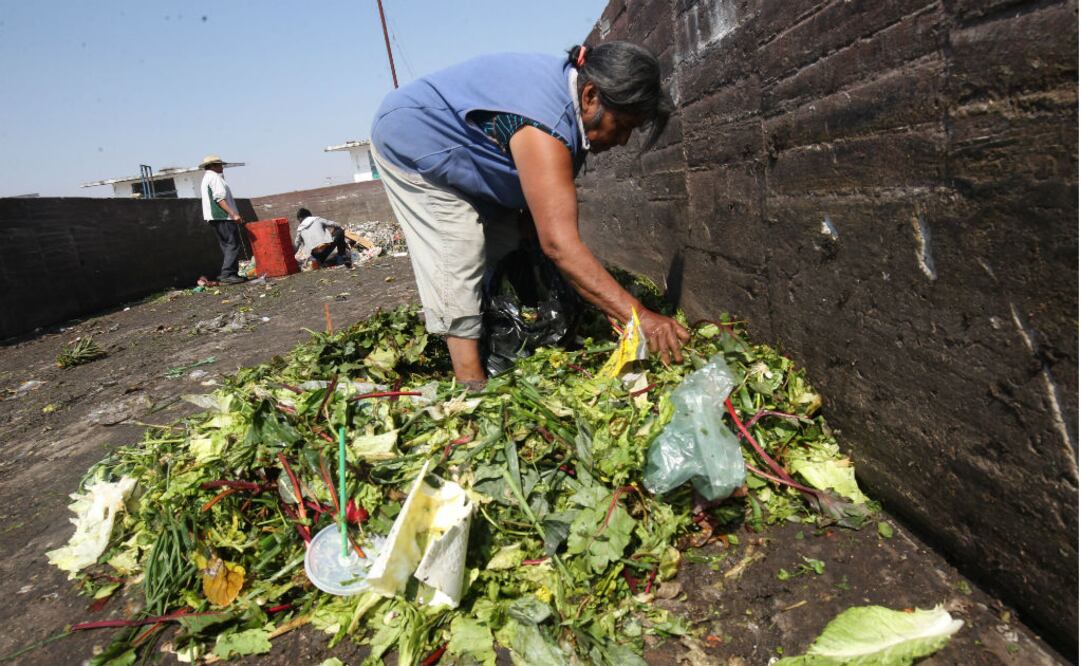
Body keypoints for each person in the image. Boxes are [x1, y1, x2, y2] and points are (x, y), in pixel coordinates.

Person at [370, 42, 690, 386]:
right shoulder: (546, 122)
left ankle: (494, 335)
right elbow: (560, 245)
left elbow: (539, 214)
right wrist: (639, 316)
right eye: (622, 124)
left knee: (507, 246)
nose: (623, 140)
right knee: (459, 246)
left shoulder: (569, 113)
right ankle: (471, 386)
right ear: (591, 96)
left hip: (466, 159)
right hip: (412, 143)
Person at [199, 154, 247, 284]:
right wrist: (233, 214)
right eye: (220, 165)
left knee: (227, 246)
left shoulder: (207, 178)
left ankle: (231, 274)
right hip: (223, 216)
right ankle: (227, 274)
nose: (222, 167)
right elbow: (220, 199)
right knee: (233, 245)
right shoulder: (214, 178)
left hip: (215, 218)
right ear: (213, 166)